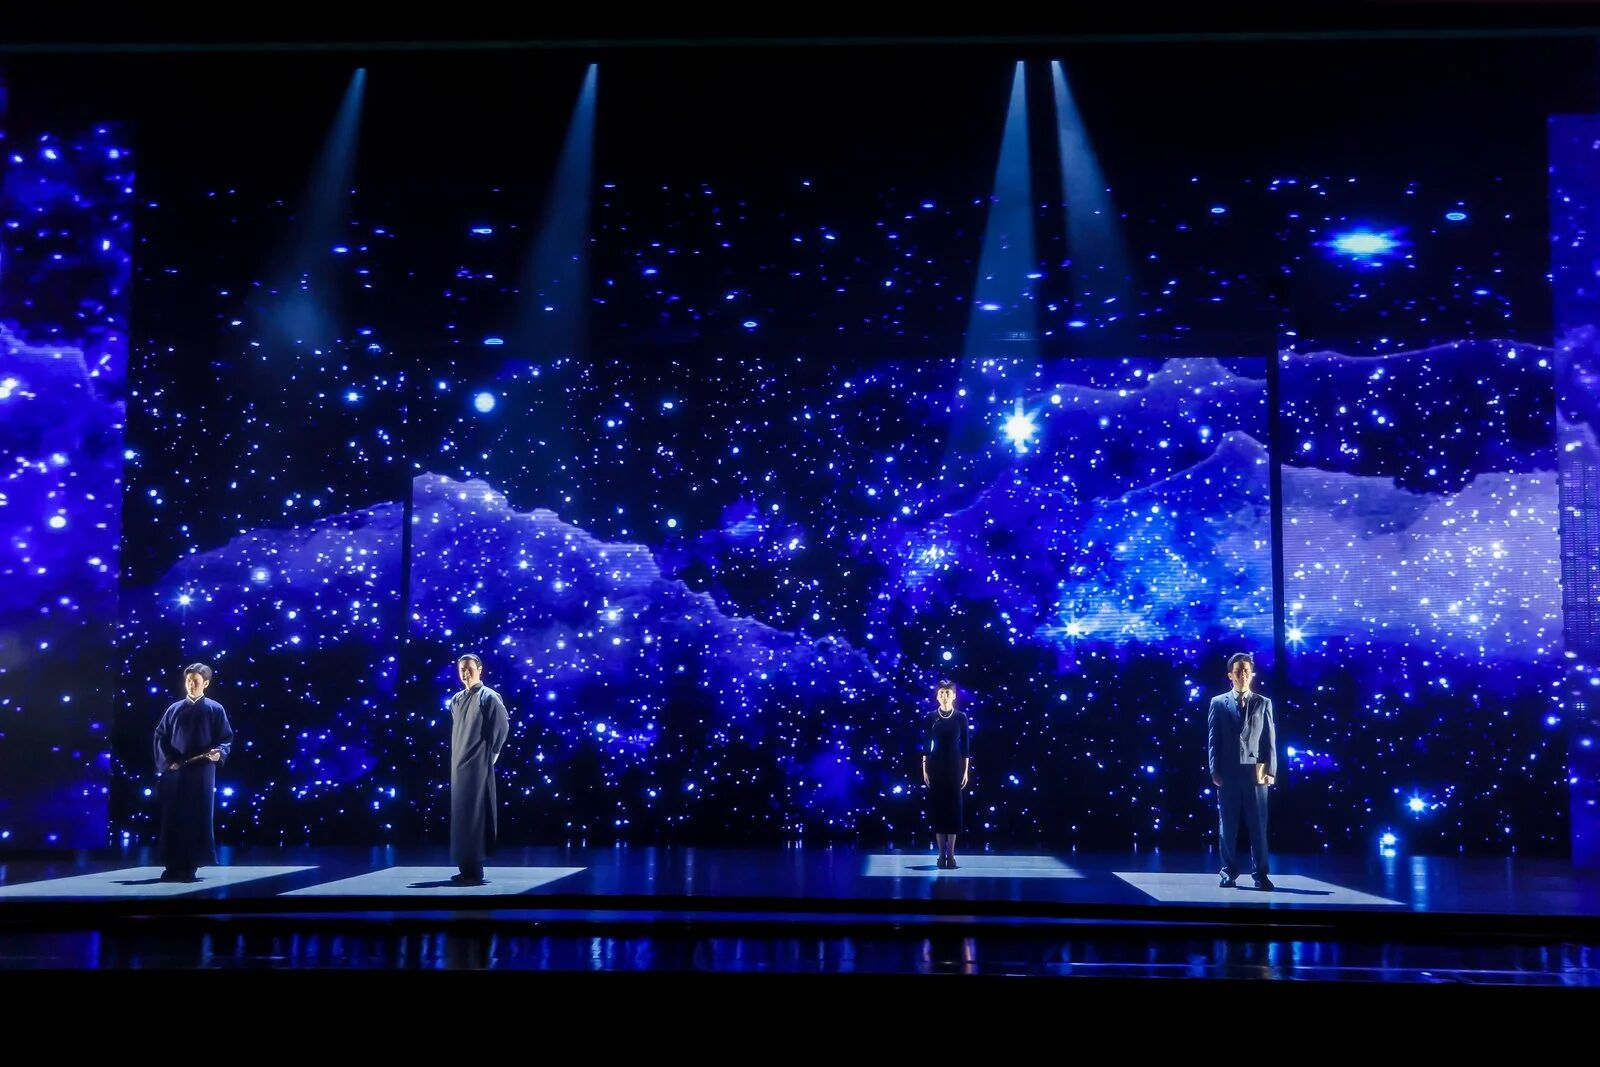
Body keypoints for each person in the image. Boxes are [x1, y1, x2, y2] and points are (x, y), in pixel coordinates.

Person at [152, 663, 234, 882]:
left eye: (195, 681)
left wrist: (219, 753)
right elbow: (160, 736)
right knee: (174, 817)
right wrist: (168, 762)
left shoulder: (215, 709)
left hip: (202, 773)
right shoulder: (174, 709)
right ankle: (171, 865)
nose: (190, 684)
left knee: (197, 816)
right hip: (176, 771)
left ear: (205, 683)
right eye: (188, 680)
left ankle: (191, 865)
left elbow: (225, 738)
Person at [1207, 652, 1277, 890]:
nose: (1243, 675)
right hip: (1228, 773)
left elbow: (1269, 740)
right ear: (1231, 675)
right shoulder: (1218, 702)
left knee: (1258, 827)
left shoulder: (1263, 702)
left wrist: (1270, 770)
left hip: (1256, 772)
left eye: (1247, 671)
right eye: (1238, 671)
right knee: (1227, 826)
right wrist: (1215, 770)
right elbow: (1213, 740)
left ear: (1252, 674)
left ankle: (1261, 874)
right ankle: (1228, 872)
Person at [449, 653, 510, 885]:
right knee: (461, 816)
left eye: (470, 669)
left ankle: (475, 869)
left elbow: (501, 727)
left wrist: (491, 755)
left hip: (477, 765)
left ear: (480, 670)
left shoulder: (489, 697)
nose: (465, 673)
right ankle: (465, 868)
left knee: (475, 816)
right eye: (462, 669)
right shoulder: (456, 699)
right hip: (459, 766)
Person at [921, 679, 970, 870]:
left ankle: (951, 854)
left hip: (955, 765)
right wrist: (924, 768)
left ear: (954, 696)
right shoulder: (931, 717)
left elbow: (965, 747)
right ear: (937, 695)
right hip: (936, 765)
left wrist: (966, 771)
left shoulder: (961, 717)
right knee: (939, 808)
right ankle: (941, 854)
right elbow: (926, 745)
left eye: (947, 693)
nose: (944, 696)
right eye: (941, 692)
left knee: (953, 809)